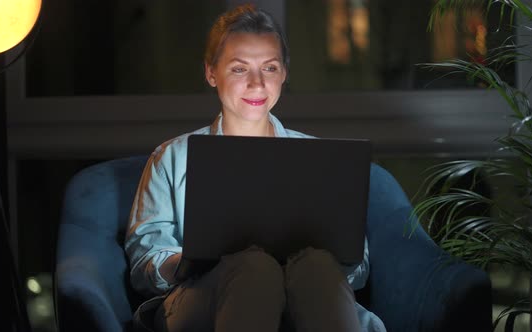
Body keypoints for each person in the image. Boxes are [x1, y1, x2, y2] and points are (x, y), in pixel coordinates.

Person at [125, 4, 386, 332]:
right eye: (239, 69)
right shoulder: (172, 157)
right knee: (253, 267)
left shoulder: (317, 157)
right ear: (211, 72)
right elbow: (143, 263)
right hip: (204, 298)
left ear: (284, 74)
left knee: (315, 265)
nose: (257, 83)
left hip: (306, 290)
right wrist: (185, 262)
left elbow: (357, 267)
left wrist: (324, 257)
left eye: (270, 68)